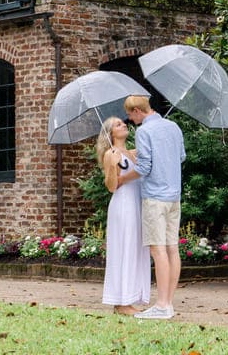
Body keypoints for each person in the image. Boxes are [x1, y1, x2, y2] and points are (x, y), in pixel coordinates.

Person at [122, 93, 185, 320]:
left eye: (130, 114)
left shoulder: (144, 131)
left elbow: (144, 169)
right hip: (173, 197)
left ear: (138, 111)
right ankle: (167, 304)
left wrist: (122, 179)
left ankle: (161, 305)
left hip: (155, 198)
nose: (130, 119)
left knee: (157, 250)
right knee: (172, 248)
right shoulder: (174, 127)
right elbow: (180, 156)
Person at [95, 116, 151, 315]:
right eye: (118, 124)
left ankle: (132, 296)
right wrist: (112, 165)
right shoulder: (111, 154)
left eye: (123, 122)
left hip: (138, 203)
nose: (124, 124)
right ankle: (121, 302)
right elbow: (112, 186)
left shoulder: (132, 152)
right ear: (111, 133)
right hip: (124, 205)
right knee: (125, 249)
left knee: (136, 249)